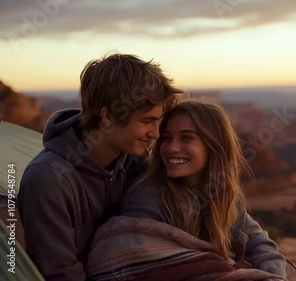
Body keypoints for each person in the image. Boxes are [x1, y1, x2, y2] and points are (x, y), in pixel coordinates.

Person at [17, 53, 183, 281]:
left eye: (158, 121)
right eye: (146, 121)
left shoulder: (137, 164)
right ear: (108, 117)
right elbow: (60, 274)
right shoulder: (49, 180)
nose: (155, 133)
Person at [118, 99, 287, 278]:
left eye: (187, 138)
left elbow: (262, 245)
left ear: (213, 145)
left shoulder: (224, 195)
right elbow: (146, 271)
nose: (172, 148)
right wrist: (234, 271)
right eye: (166, 138)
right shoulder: (147, 200)